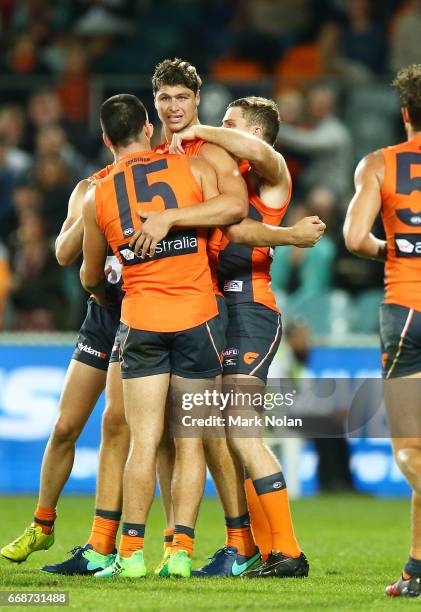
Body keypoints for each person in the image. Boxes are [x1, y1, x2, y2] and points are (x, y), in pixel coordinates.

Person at [82, 94, 247, 579]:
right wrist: (175, 217)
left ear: (107, 139)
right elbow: (235, 207)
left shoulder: (97, 193)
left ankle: (130, 553)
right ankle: (179, 551)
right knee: (191, 440)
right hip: (197, 316)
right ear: (150, 130)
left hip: (141, 320)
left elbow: (92, 276)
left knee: (144, 440)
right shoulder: (188, 168)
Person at [168, 95, 317, 579]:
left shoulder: (273, 176)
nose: (218, 131)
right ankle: (258, 549)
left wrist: (196, 128)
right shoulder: (223, 180)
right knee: (223, 436)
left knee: (242, 431)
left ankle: (289, 553)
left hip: (252, 311)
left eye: (229, 125)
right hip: (216, 314)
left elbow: (240, 230)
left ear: (252, 134)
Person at [343, 64, 421, 598]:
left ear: (404, 114)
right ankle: (417, 571)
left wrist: (391, 248)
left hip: (406, 312)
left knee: (411, 449)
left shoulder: (379, 164)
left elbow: (354, 238)